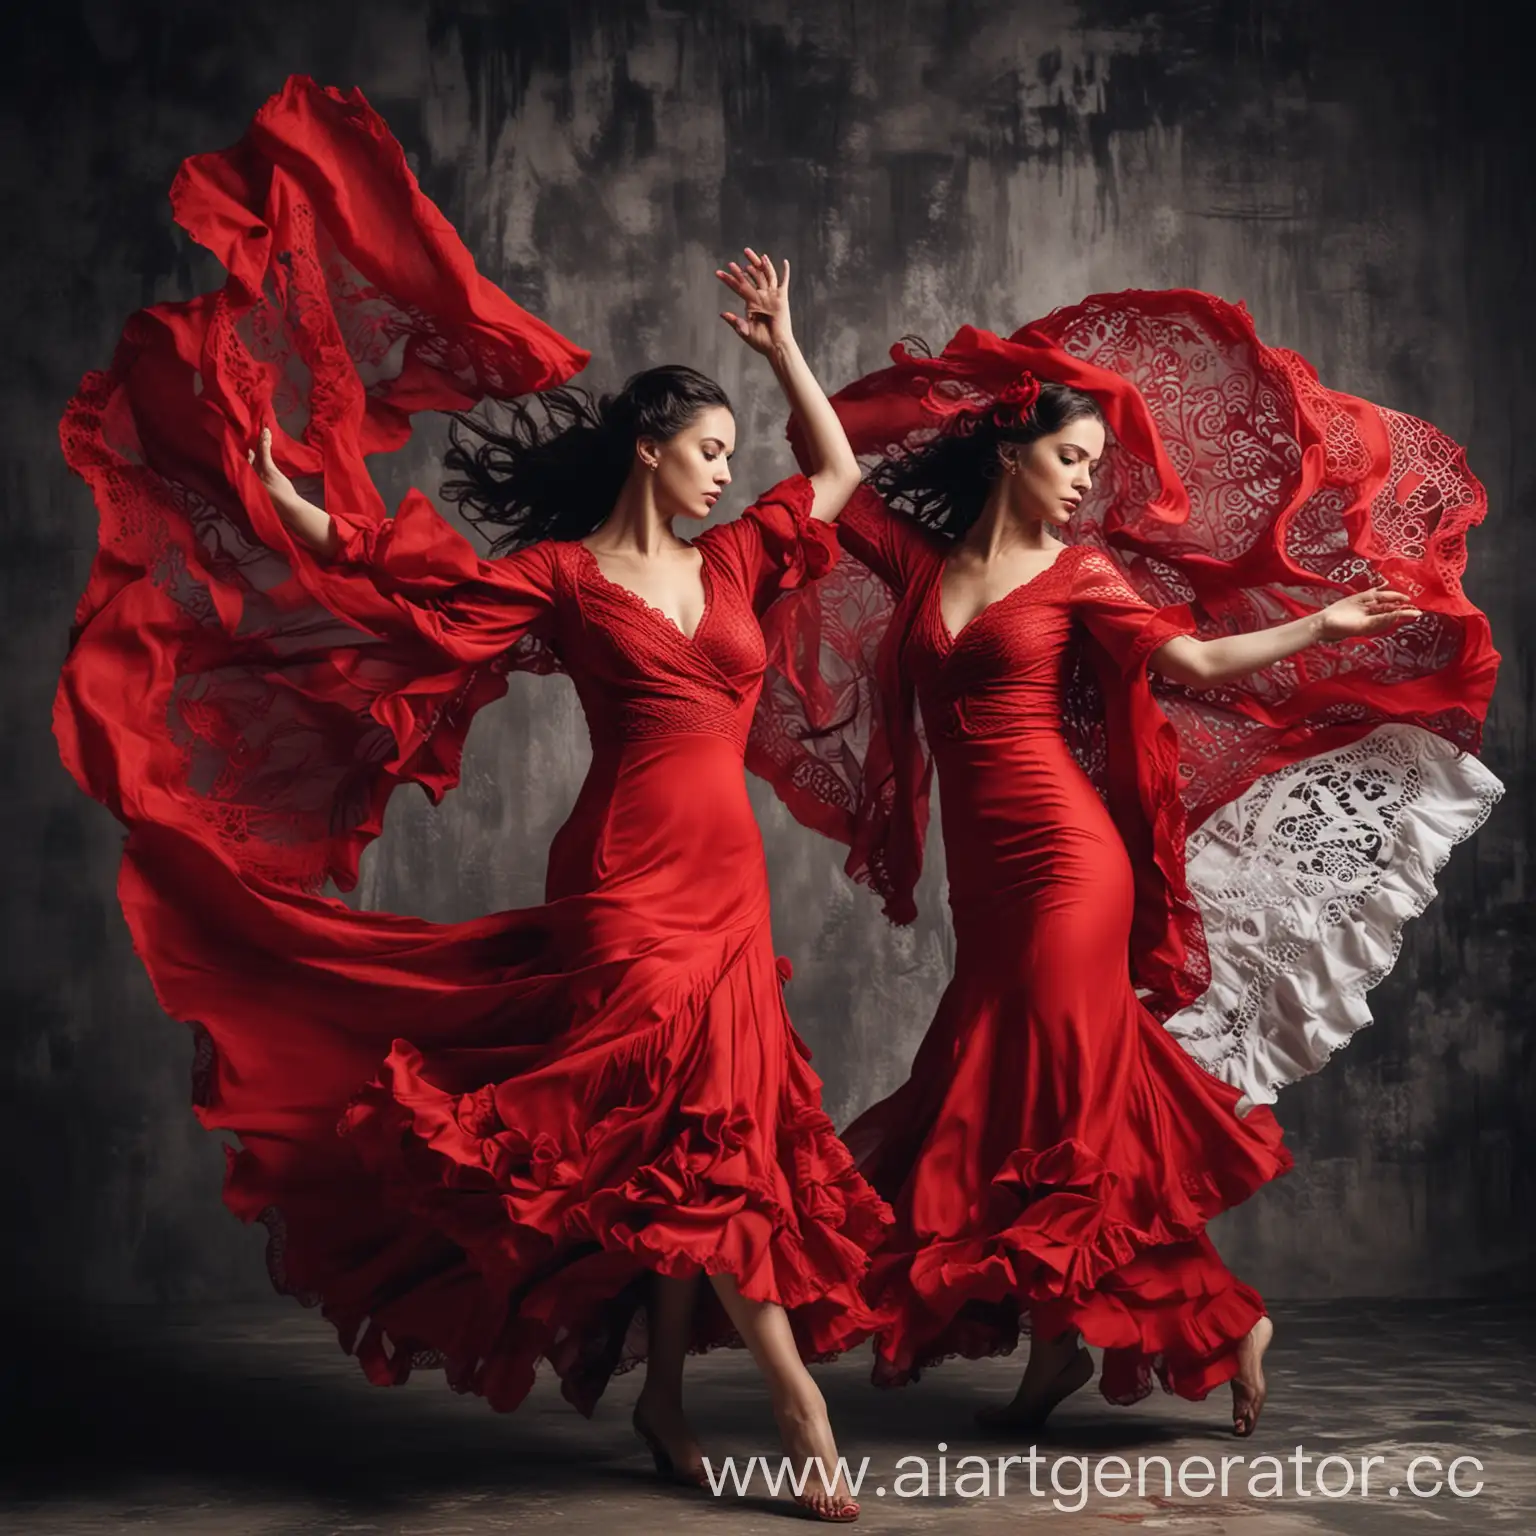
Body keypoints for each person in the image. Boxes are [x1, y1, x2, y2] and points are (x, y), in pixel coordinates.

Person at [55, 76, 876, 1521]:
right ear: (650, 444)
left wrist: (788, 347)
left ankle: (675, 1398)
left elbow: (838, 472)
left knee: (700, 1135)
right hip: (622, 882)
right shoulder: (562, 581)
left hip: (729, 884)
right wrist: (283, 494)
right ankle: (798, 1412)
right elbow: (395, 577)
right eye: (709, 451)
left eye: (731, 461)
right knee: (698, 1132)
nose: (727, 474)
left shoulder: (744, 560)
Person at [747, 294, 1502, 1436]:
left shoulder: (1081, 576)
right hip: (986, 879)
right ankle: (1073, 1339)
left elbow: (1195, 658)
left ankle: (1210, 1315)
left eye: (1095, 462)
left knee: (1055, 1090)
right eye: (1069, 457)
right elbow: (831, 466)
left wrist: (1321, 630)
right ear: (1013, 451)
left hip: (1067, 862)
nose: (1083, 480)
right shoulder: (918, 563)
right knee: (1050, 1101)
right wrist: (788, 350)